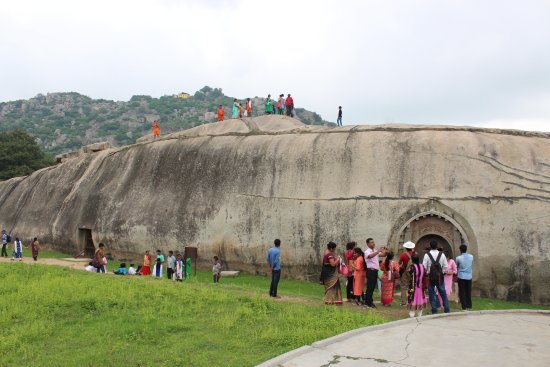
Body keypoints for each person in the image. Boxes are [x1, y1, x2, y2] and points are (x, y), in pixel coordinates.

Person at [422, 240, 450, 314]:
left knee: (431, 293)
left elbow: (424, 266)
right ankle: (447, 309)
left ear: (430, 246)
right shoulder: (442, 255)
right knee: (443, 293)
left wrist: (427, 272)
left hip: (430, 277)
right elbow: (446, 267)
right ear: (437, 246)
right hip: (440, 277)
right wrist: (442, 272)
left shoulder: (427, 255)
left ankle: (434, 310)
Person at [364, 238, 387, 308]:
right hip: (370, 271)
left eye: (373, 242)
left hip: (375, 271)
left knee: (372, 287)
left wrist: (386, 250)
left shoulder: (375, 251)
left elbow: (383, 255)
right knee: (370, 287)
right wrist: (378, 251)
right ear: (368, 244)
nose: (373, 243)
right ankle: (368, 303)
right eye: (371, 242)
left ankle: (369, 301)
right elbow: (370, 256)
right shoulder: (367, 251)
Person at [456, 244, 474, 311]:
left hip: (461, 276)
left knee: (462, 292)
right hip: (469, 276)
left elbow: (457, 265)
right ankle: (469, 306)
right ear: (466, 249)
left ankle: (464, 307)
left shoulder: (458, 258)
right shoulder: (471, 257)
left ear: (460, 250)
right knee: (468, 291)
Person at [407, 253, 426, 317]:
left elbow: (408, 273)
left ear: (412, 260)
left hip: (413, 287)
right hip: (421, 286)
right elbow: (425, 274)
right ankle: (419, 313)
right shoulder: (422, 266)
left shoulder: (412, 267)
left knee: (413, 299)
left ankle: (412, 313)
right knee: (420, 299)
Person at [399, 241, 415, 306]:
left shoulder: (403, 254)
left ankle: (404, 302)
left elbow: (400, 263)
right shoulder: (415, 254)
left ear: (406, 248)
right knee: (412, 286)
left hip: (405, 271)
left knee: (404, 286)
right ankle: (412, 301)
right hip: (413, 271)